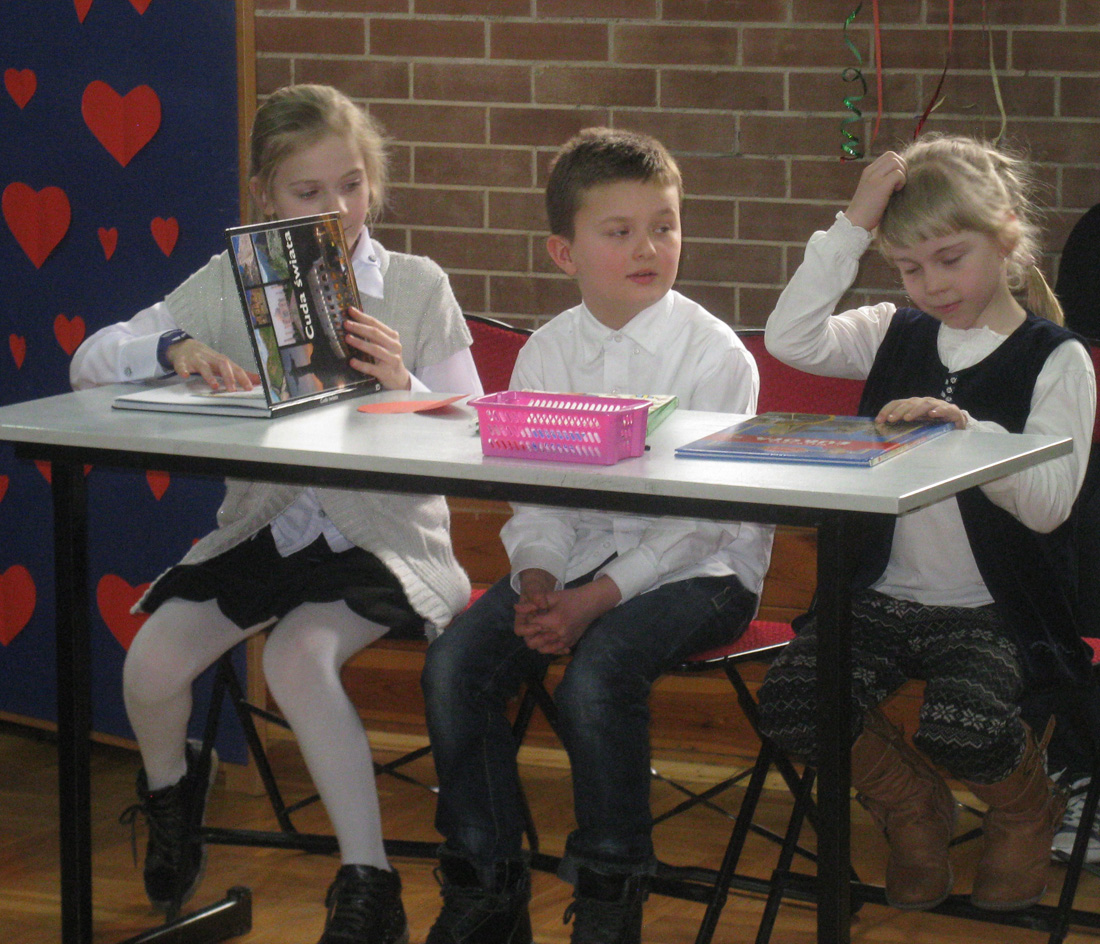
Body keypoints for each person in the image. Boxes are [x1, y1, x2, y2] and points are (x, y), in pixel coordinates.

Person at [70, 84, 483, 944]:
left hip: (389, 540)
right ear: (265, 196)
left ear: (373, 183)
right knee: (150, 664)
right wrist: (173, 347)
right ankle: (172, 794)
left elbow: (477, 436)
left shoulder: (415, 285)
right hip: (270, 530)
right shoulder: (232, 282)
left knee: (298, 657)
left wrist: (405, 384)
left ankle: (368, 883)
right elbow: (89, 359)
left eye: (352, 186)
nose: (337, 210)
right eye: (308, 192)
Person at [420, 127, 773, 944]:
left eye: (664, 226)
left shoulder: (713, 356)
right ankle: (486, 884)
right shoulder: (548, 353)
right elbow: (539, 501)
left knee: (599, 672)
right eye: (619, 232)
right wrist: (541, 578)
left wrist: (594, 602)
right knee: (455, 664)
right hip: (578, 564)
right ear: (564, 253)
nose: (649, 247)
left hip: (706, 571)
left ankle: (612, 897)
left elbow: (703, 524)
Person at [757, 133, 1097, 913]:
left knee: (963, 725)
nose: (932, 284)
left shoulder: (1057, 358)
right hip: (880, 597)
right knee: (794, 701)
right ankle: (914, 808)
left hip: (996, 610)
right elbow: (790, 337)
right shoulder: (895, 330)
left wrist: (968, 434)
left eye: (950, 258)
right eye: (910, 268)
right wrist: (853, 223)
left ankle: (1026, 807)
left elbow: (1050, 505)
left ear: (1006, 237)